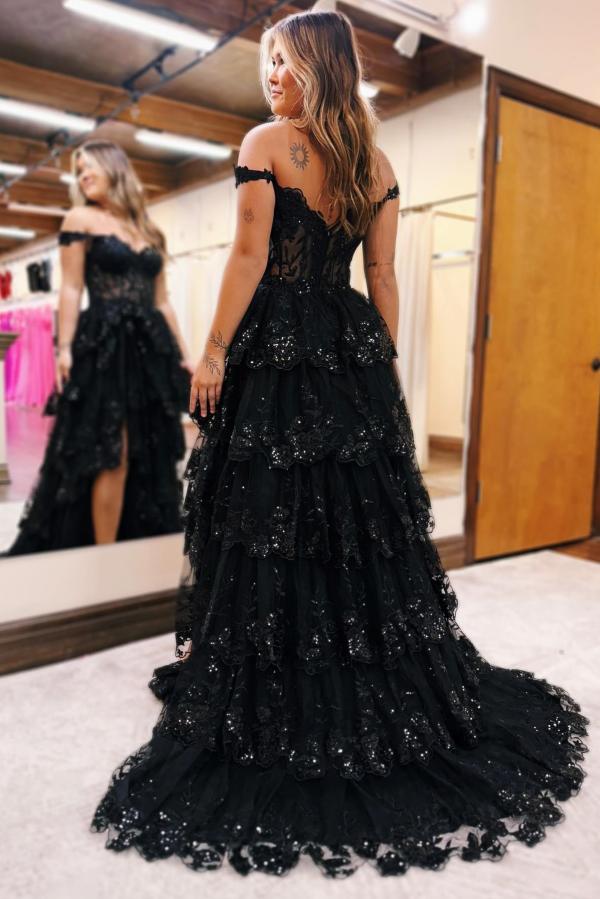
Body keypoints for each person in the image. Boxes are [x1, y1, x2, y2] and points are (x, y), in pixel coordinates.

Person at [90, 10, 589, 878]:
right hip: (347, 347)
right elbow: (382, 276)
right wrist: (380, 371)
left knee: (268, 511)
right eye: (267, 64)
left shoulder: (267, 144)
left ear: (320, 66)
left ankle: (277, 674)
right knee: (347, 522)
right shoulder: (376, 163)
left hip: (278, 352)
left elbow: (249, 257)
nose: (271, 77)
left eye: (284, 63)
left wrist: (212, 352)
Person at [3, 140, 193, 554]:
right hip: (105, 345)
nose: (83, 176)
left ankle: (136, 542)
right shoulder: (79, 218)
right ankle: (104, 554)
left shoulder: (148, 229)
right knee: (112, 450)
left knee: (151, 447)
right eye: (79, 171)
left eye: (89, 167)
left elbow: (162, 301)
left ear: (114, 168)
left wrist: (183, 354)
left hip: (149, 347)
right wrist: (64, 348)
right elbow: (71, 288)